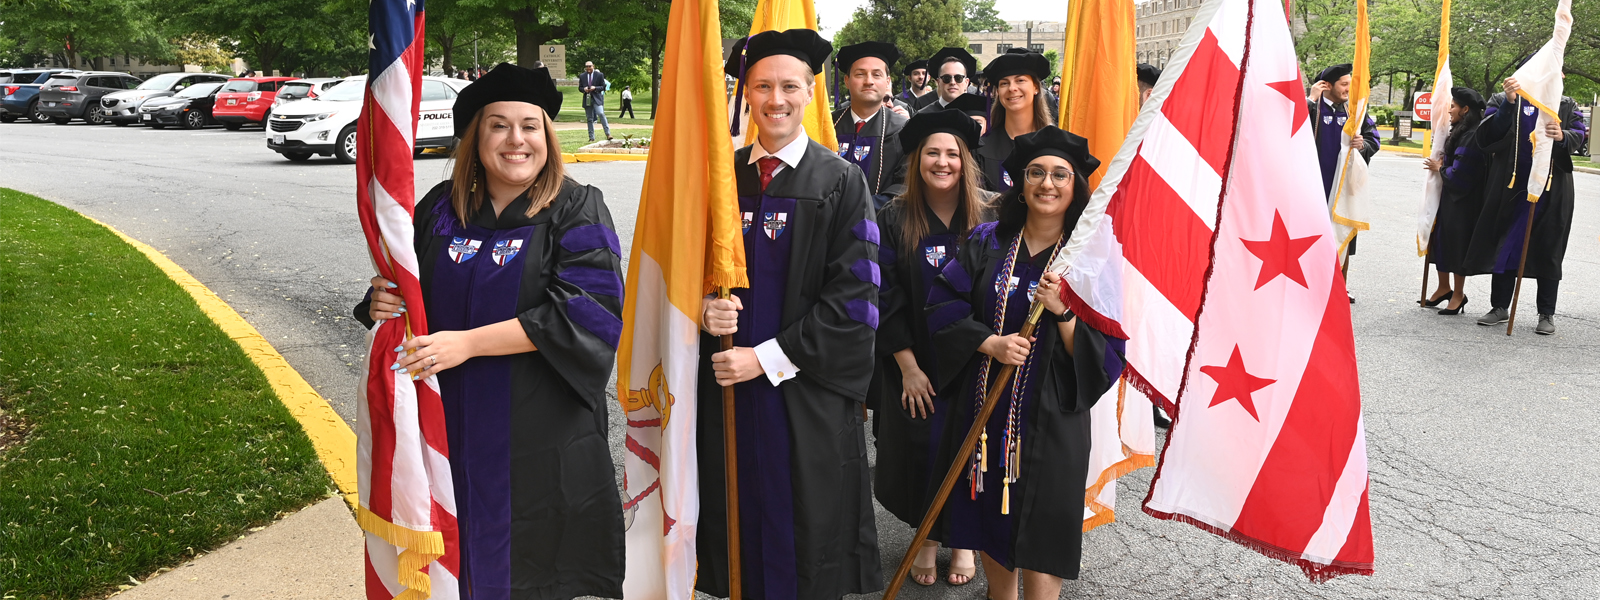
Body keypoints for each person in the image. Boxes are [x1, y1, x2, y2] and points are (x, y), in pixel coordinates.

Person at [353, 62, 625, 599]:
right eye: (498, 125)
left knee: (531, 565)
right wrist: (380, 300)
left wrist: (468, 344)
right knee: (454, 556)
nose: (516, 140)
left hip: (537, 430)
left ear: (547, 136)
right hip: (447, 420)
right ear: (476, 138)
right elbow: (409, 287)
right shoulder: (440, 209)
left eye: (529, 126)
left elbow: (586, 312)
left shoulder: (575, 207)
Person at [697, 28, 883, 600]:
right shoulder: (722, 178)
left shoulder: (840, 181)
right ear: (745, 94)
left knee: (806, 526)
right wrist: (704, 311)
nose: (775, 99)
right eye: (762, 87)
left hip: (804, 392)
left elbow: (856, 301)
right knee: (735, 515)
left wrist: (766, 358)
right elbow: (685, 273)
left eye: (788, 86)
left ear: (809, 93)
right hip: (728, 386)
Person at [925, 126, 1122, 600]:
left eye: (1060, 174)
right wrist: (988, 343)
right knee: (989, 513)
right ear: (1019, 181)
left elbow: (1109, 354)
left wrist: (1065, 311)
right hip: (985, 409)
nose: (1047, 184)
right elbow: (941, 304)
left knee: (1045, 527)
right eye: (1035, 172)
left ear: (1075, 186)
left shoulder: (1091, 258)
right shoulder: (987, 241)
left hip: (1053, 422)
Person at [874, 109, 995, 588]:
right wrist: (906, 366)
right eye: (932, 153)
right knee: (923, 450)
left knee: (971, 448)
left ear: (966, 160)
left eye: (952, 154)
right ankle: (925, 537)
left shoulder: (992, 213)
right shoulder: (894, 216)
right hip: (917, 360)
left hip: (976, 357)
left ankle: (963, 541)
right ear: (916, 159)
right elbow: (883, 294)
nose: (942, 163)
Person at [1464, 76, 1588, 334]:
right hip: (1510, 189)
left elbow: (1580, 133)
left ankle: (1546, 313)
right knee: (1505, 246)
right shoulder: (1502, 99)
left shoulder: (1564, 104)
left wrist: (1563, 135)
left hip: (1552, 191)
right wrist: (1509, 104)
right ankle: (1499, 306)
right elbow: (1486, 135)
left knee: (1548, 249)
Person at [1307, 63, 1379, 296]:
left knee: (1343, 233)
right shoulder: (1312, 109)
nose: (1349, 89)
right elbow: (1291, 131)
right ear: (1327, 85)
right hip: (1315, 186)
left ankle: (1339, 287)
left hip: (1344, 186)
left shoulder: (1355, 111)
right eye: (1344, 84)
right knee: (1313, 236)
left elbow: (1374, 139)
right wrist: (1310, 101)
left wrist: (1364, 145)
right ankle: (1311, 285)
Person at [1421, 87, 1488, 316]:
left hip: (1464, 202)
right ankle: (1443, 287)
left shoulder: (1473, 135)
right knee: (1442, 240)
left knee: (1457, 244)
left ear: (1465, 109)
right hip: (1451, 198)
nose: (1449, 110)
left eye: (1453, 106)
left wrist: (1441, 168)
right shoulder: (1461, 130)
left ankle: (1458, 294)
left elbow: (1462, 175)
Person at [832, 41, 909, 209]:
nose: (869, 81)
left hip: (880, 226)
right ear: (847, 80)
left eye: (877, 74)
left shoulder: (905, 130)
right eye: (860, 74)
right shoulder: (828, 126)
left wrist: (859, 210)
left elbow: (904, 187)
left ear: (887, 82)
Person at [975, 49, 1054, 193]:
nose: (1012, 88)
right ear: (998, 92)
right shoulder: (981, 150)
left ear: (1036, 87)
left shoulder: (1056, 144)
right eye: (1004, 83)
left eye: (1020, 80)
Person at [918, 47, 979, 114]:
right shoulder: (923, 116)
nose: (952, 82)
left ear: (966, 83)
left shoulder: (977, 117)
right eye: (946, 78)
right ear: (938, 82)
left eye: (958, 78)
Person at [578, 61, 612, 141]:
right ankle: (591, 138)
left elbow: (603, 87)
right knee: (589, 118)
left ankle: (608, 134)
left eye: (590, 66)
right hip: (587, 98)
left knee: (601, 113)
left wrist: (595, 88)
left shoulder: (599, 75)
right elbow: (580, 88)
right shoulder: (582, 76)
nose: (588, 68)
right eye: (586, 66)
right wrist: (584, 89)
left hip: (597, 98)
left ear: (593, 66)